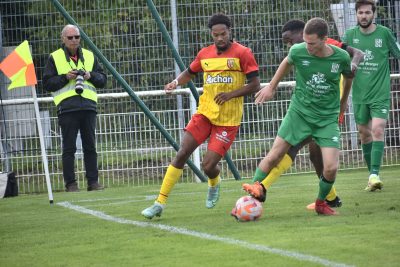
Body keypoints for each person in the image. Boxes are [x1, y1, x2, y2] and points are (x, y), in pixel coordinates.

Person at [141, 13, 260, 219]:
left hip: (228, 120)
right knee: (182, 153)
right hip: (205, 113)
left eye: (223, 34)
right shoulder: (205, 54)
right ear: (211, 34)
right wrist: (175, 83)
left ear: (230, 32)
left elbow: (255, 84)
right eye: (216, 35)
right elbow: (190, 71)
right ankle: (159, 203)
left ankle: (214, 182)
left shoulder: (243, 53)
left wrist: (231, 94)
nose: (220, 38)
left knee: (208, 165)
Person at [241, 18, 354, 216]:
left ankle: (321, 203)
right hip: (299, 113)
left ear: (324, 40)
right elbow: (286, 62)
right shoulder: (298, 51)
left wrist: (343, 103)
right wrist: (271, 87)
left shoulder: (341, 57)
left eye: (312, 43)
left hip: (327, 118)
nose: (307, 46)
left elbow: (350, 77)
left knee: (330, 168)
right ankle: (251, 197)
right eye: (305, 41)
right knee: (275, 154)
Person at [342, 0, 400, 191]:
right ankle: (372, 177)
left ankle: (374, 173)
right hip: (359, 95)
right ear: (356, 15)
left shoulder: (384, 33)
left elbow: (398, 53)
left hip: (380, 93)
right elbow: (341, 60)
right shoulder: (349, 36)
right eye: (360, 13)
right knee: (364, 135)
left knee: (377, 129)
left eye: (367, 12)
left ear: (373, 14)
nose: (364, 16)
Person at [43, 24, 107, 192]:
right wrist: (66, 77)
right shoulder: (54, 57)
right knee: (69, 148)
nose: (74, 40)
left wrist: (89, 75)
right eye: (70, 37)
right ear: (63, 39)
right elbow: (48, 83)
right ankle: (71, 184)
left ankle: (93, 183)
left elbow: (102, 80)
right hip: (67, 108)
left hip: (88, 107)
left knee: (90, 147)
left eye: (77, 37)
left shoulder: (89, 56)